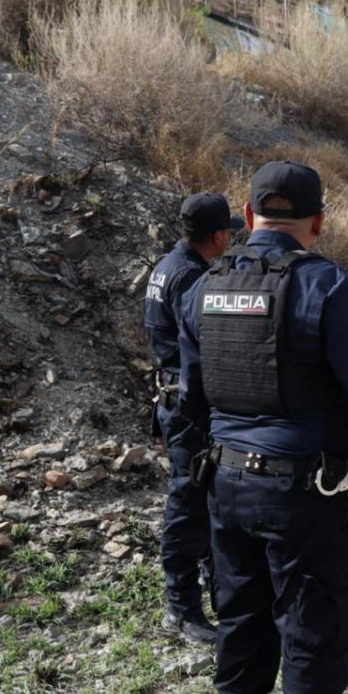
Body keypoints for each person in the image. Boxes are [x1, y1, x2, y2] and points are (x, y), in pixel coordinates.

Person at [177, 160, 348, 694]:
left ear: (247, 215)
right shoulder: (327, 286)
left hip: (225, 480)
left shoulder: (205, 287)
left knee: (240, 615)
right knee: (312, 632)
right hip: (303, 495)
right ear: (319, 222)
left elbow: (190, 394)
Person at [143, 193, 243, 645]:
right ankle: (181, 609)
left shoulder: (167, 265)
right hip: (189, 405)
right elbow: (204, 345)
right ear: (217, 236)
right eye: (229, 233)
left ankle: (219, 597)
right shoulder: (191, 277)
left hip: (175, 398)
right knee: (188, 504)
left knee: (200, 500)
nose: (231, 241)